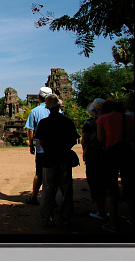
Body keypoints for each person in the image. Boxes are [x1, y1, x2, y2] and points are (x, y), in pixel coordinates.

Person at [35, 94, 79, 227]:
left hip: (49, 158)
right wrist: (64, 148)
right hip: (64, 157)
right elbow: (73, 140)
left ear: (48, 108)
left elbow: (41, 142)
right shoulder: (67, 122)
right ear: (59, 106)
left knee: (48, 189)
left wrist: (50, 149)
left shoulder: (44, 123)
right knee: (66, 189)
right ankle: (65, 218)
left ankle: (46, 219)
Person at [97, 99, 135, 233]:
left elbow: (101, 139)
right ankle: (133, 222)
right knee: (129, 189)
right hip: (127, 154)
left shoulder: (102, 119)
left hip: (110, 154)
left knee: (111, 189)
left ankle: (113, 223)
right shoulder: (128, 118)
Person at [24, 86, 53, 205]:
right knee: (54, 174)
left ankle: (34, 197)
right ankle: (51, 199)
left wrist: (31, 145)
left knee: (39, 173)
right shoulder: (57, 111)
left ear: (39, 98)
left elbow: (30, 130)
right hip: (56, 148)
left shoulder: (35, 111)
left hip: (41, 148)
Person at [81, 98, 107, 220]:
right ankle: (110, 211)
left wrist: (85, 151)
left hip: (93, 155)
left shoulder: (89, 123)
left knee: (95, 182)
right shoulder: (110, 121)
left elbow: (84, 141)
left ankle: (100, 210)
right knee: (108, 182)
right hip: (108, 154)